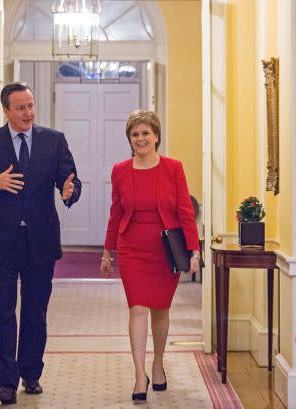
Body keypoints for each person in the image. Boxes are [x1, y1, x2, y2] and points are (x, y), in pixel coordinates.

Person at [0, 82, 82, 405]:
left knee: (35, 312)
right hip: (0, 242)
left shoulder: (53, 141)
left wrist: (70, 192)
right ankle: (6, 382)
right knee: (2, 313)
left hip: (40, 241)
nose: (28, 113)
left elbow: (70, 179)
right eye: (21, 108)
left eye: (31, 106)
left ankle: (31, 374)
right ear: (6, 110)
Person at [100, 110, 199, 402]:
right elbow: (115, 212)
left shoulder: (173, 168)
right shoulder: (120, 170)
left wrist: (194, 250)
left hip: (166, 248)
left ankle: (158, 364)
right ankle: (139, 374)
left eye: (145, 133)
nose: (140, 139)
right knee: (138, 308)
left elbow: (185, 211)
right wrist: (108, 251)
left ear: (156, 135)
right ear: (129, 139)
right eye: (134, 134)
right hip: (132, 246)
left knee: (160, 309)